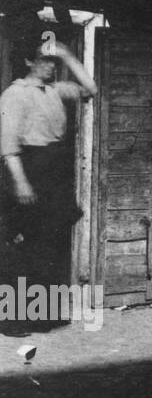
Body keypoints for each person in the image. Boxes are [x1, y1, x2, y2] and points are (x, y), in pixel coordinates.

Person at [1, 37, 97, 323]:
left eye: (53, 62)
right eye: (44, 60)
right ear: (29, 62)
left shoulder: (54, 91)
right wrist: (21, 182)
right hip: (28, 169)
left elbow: (90, 89)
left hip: (53, 169)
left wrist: (67, 55)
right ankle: (12, 319)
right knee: (23, 244)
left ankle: (42, 315)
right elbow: (7, 146)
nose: (50, 67)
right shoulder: (15, 94)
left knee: (49, 242)